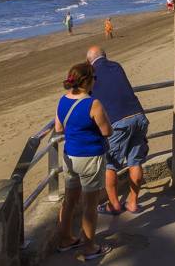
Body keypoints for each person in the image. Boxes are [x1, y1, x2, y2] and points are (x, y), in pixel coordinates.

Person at [55, 63, 112, 260]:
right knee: (89, 204)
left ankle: (65, 239)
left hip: (70, 155)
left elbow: (58, 128)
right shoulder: (93, 103)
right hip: (90, 157)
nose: (96, 81)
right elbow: (106, 131)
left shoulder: (62, 100)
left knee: (69, 200)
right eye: (94, 78)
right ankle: (89, 247)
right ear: (87, 80)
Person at [87, 47, 149, 215]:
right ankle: (133, 203)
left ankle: (114, 205)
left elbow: (90, 98)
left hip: (118, 122)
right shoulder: (116, 66)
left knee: (110, 165)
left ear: (89, 61)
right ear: (105, 57)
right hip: (138, 115)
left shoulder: (92, 74)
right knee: (135, 162)